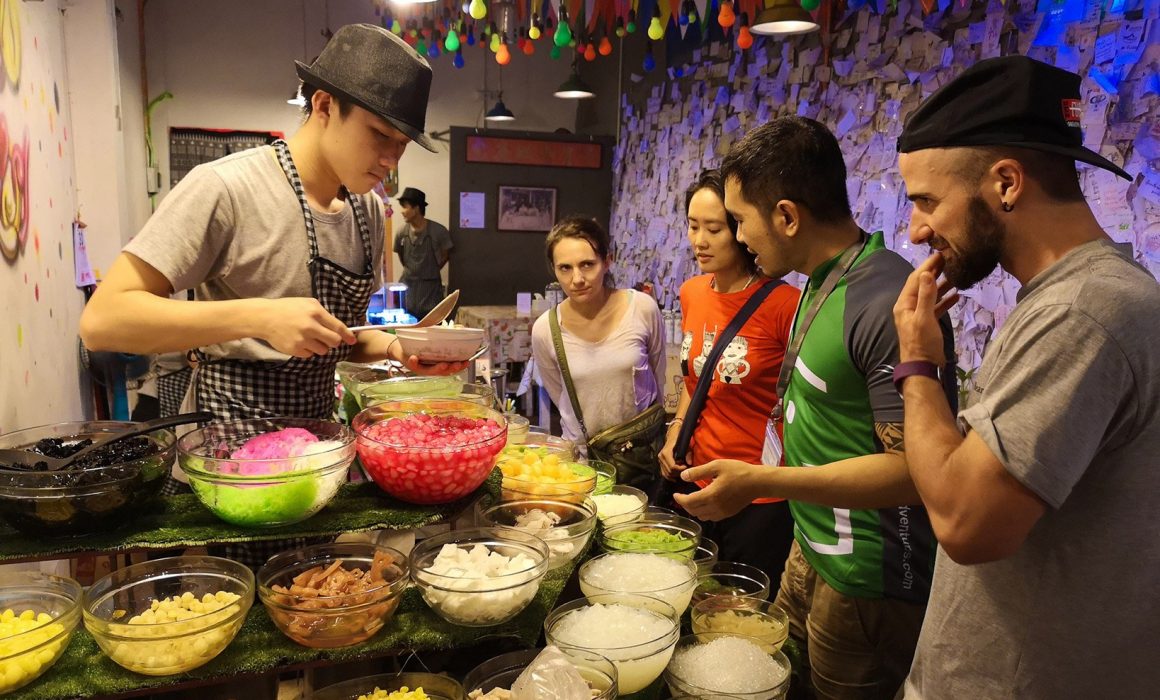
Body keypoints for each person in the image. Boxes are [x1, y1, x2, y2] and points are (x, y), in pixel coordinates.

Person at [892, 56, 1160, 698]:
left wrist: (919, 364)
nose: (916, 229)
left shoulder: (1083, 311)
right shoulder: (1068, 299)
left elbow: (964, 523)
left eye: (927, 201)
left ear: (1006, 183)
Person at [673, 116, 956, 700]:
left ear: (786, 216)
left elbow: (915, 472)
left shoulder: (882, 300)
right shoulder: (822, 281)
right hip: (812, 546)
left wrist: (760, 481)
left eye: (739, 221)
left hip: (867, 577)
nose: (738, 236)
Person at [80, 24, 461, 426]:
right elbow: (102, 323)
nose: (391, 159)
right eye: (381, 135)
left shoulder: (365, 209)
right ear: (325, 105)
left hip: (315, 451)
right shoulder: (228, 188)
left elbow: (339, 338)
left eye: (402, 144)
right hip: (227, 454)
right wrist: (260, 318)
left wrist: (396, 349)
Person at [657, 169, 800, 585]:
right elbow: (697, 381)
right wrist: (675, 430)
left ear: (741, 228)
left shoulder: (785, 305)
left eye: (714, 228)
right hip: (695, 478)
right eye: (693, 225)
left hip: (757, 492)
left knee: (739, 611)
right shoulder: (692, 292)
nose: (699, 240)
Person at [530, 217, 667, 482]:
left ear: (608, 261)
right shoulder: (546, 330)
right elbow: (560, 396)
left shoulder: (641, 308)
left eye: (587, 265)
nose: (577, 279)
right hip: (582, 462)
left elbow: (658, 376)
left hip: (641, 455)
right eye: (565, 268)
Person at [393, 186, 452, 319]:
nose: (402, 212)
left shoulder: (439, 231)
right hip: (408, 289)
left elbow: (445, 255)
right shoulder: (401, 233)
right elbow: (401, 257)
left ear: (417, 208)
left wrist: (430, 271)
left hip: (431, 291)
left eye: (405, 207)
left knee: (433, 329)